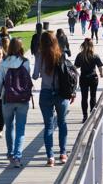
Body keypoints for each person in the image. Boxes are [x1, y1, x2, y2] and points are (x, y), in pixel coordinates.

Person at [0, 38, 32, 168]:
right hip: (22, 100)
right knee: (20, 129)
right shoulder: (26, 62)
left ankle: (10, 152)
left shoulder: (3, 64)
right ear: (21, 48)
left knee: (9, 127)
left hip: (7, 99)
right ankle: (17, 156)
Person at [33, 32, 73, 167]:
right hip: (61, 94)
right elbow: (69, 74)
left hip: (46, 93)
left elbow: (35, 75)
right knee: (62, 123)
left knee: (48, 126)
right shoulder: (61, 54)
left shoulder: (40, 55)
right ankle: (63, 153)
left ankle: (50, 157)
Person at [74, 38, 103, 123]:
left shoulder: (80, 55)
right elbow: (100, 66)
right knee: (93, 96)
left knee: (84, 97)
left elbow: (75, 67)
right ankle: (92, 115)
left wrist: (76, 74)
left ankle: (85, 116)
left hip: (83, 77)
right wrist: (101, 74)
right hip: (93, 77)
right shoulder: (95, 55)